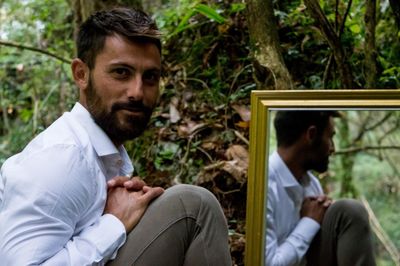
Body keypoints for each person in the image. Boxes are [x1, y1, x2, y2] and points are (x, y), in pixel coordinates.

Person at [0, 8, 231, 266]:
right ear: (81, 74)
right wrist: (112, 225)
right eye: (121, 72)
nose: (137, 92)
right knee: (194, 208)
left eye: (150, 77)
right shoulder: (64, 158)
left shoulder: (102, 151)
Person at [266, 110, 376, 266]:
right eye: (330, 137)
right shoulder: (265, 186)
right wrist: (309, 222)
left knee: (348, 212)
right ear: (311, 134)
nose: (333, 149)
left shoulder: (311, 184)